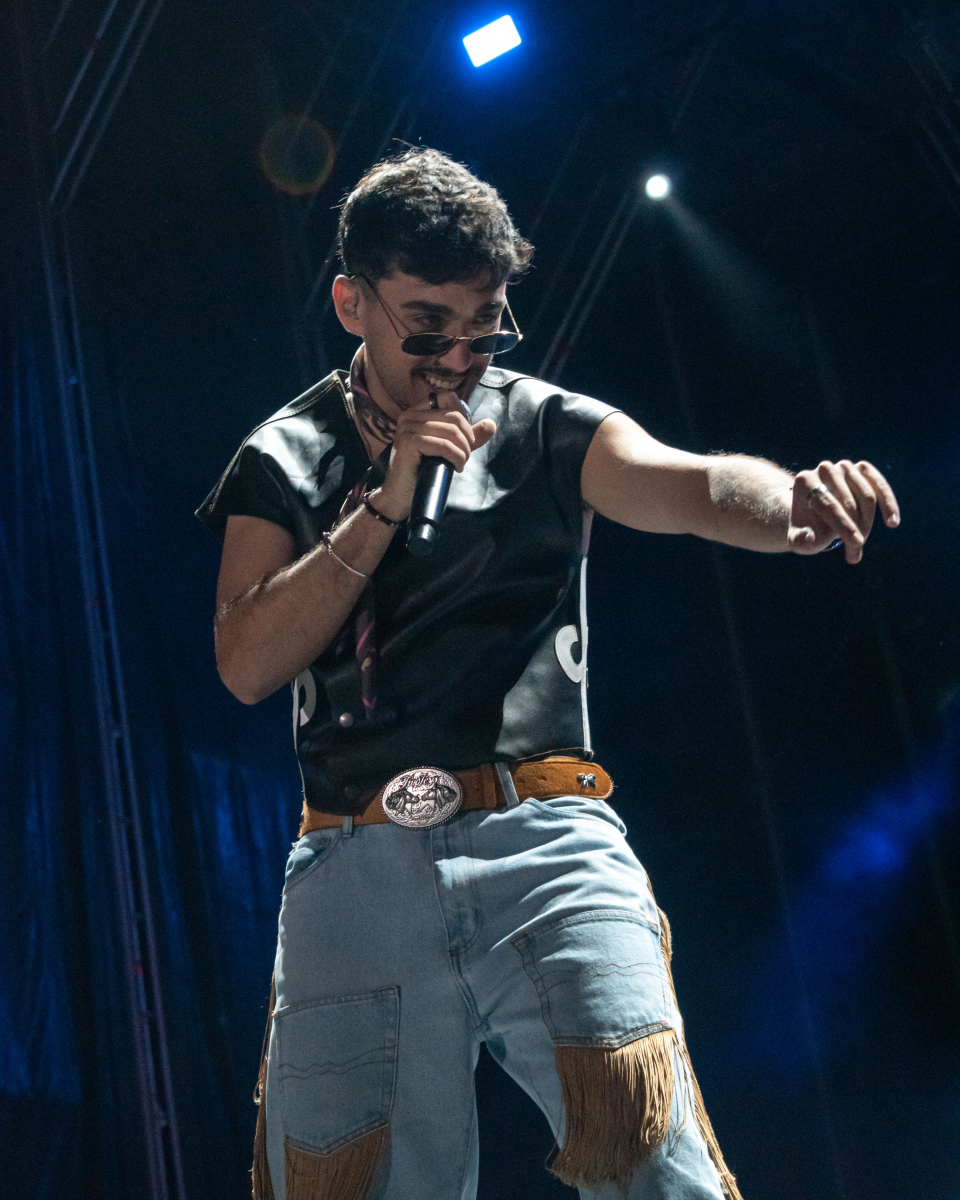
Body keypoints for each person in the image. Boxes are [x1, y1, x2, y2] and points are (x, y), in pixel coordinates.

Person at [198, 147, 899, 1200]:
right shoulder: (281, 456)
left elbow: (692, 485)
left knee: (654, 1161)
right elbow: (246, 662)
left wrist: (789, 505)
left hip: (544, 840)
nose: (456, 361)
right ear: (353, 303)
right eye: (426, 327)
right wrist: (384, 503)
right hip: (354, 862)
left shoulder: (544, 424)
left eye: (483, 329)